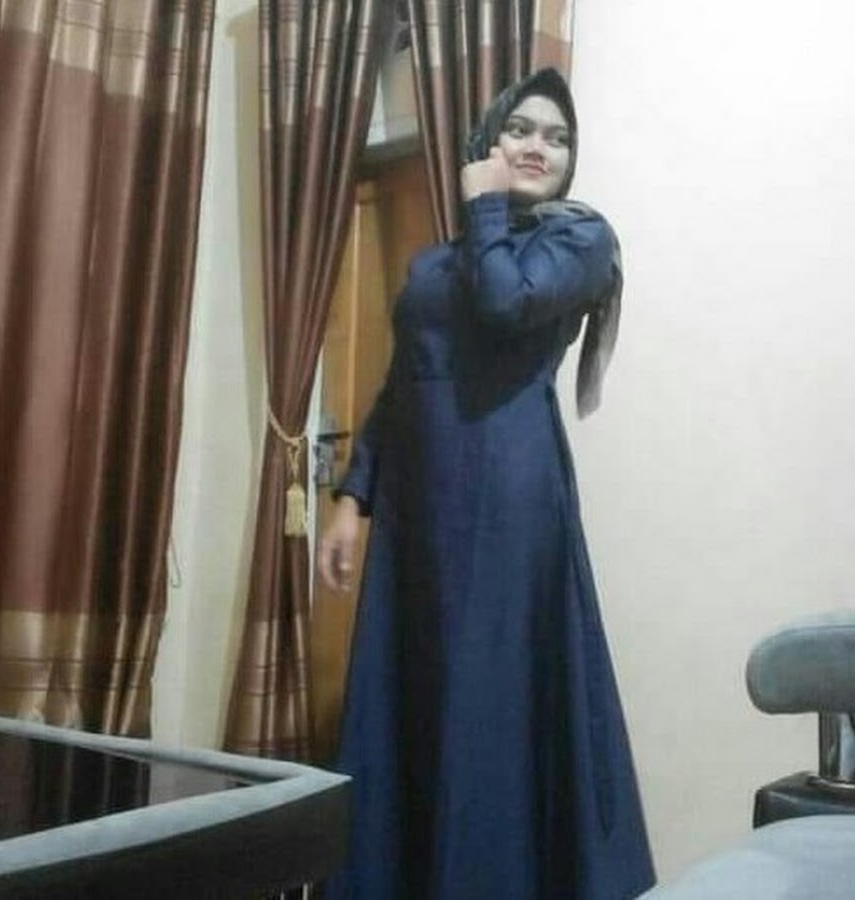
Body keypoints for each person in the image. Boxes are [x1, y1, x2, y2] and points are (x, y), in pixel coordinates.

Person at [320, 68, 655, 900]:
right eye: (522, 129)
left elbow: (506, 303)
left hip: (510, 504)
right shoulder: (441, 261)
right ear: (489, 140)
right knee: (413, 693)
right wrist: (354, 498)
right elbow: (402, 384)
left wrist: (487, 205)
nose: (540, 146)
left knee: (491, 700)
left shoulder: (581, 241)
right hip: (419, 514)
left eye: (559, 138)